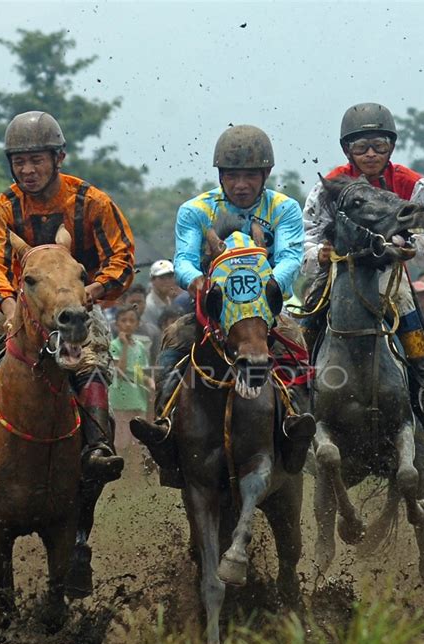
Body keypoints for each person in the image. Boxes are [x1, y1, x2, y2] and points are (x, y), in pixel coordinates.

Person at [131, 124, 315, 483]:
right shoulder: (196, 210)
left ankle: (298, 425)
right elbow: (183, 258)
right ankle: (165, 429)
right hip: (213, 309)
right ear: (220, 175)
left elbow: (291, 256)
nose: (241, 184)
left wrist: (273, 285)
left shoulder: (285, 208)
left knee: (299, 341)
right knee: (173, 340)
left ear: (265, 175)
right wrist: (196, 280)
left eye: (250, 176)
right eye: (232, 176)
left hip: (266, 309)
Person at [0, 110, 135, 482]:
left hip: (77, 309)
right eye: (20, 162)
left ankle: (98, 448)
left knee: (91, 360)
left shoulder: (91, 201)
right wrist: (9, 304)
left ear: (58, 159)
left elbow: (123, 257)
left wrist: (92, 291)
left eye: (36, 160)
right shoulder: (5, 206)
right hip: (17, 305)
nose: (28, 170)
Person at [301, 102, 424, 434]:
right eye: (361, 146)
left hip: (389, 276)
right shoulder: (329, 186)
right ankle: (298, 394)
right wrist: (319, 254)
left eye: (379, 145)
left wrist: (414, 249)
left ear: (391, 147)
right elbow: (307, 237)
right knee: (309, 317)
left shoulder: (414, 184)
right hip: (339, 274)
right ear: (347, 150)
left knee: (410, 315)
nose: (370, 154)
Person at [110, 306, 154, 452]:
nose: (128, 324)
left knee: (138, 444)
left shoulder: (140, 346)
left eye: (132, 321)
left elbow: (139, 372)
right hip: (120, 399)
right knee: (121, 443)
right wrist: (125, 347)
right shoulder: (113, 345)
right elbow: (119, 371)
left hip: (138, 398)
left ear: (137, 324)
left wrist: (149, 383)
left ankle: (136, 474)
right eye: (123, 320)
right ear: (117, 324)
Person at [141, 260, 178, 330]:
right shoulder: (148, 306)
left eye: (170, 277)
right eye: (162, 278)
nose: (167, 281)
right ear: (152, 280)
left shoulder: (171, 300)